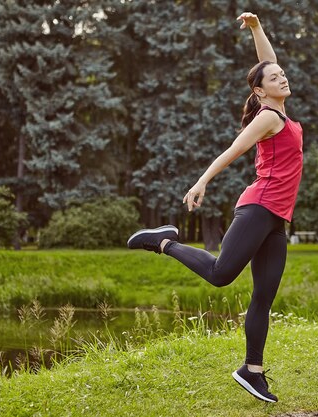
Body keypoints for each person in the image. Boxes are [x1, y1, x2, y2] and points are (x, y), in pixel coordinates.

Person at [126, 12, 303, 403]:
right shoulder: (268, 118)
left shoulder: (281, 111)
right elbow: (233, 151)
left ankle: (252, 371)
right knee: (222, 274)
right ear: (260, 92)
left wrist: (257, 30)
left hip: (276, 219)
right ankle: (163, 243)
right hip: (258, 208)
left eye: (282, 75)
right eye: (275, 79)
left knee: (264, 295)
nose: (282, 78)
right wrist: (201, 181)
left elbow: (267, 64)